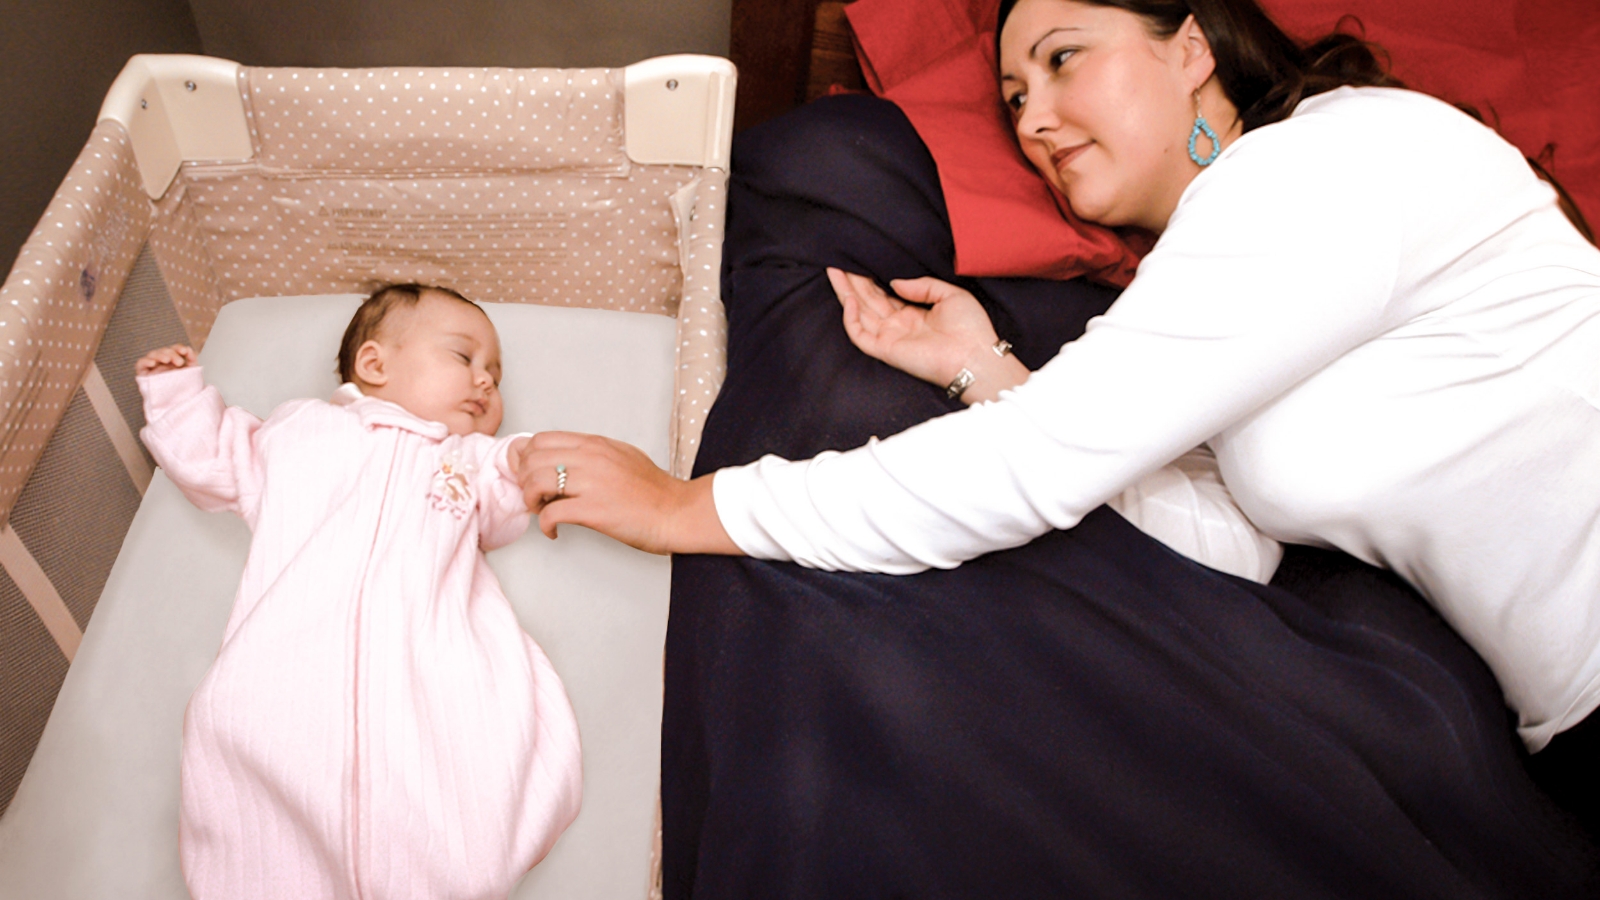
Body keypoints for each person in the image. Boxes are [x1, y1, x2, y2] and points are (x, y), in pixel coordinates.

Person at [521, 0, 1600, 893]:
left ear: (1189, 45)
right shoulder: (1221, 293)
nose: (1034, 117)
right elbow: (1224, 540)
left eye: (1061, 59)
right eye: (1013, 99)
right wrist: (982, 370)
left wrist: (686, 508)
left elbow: (1034, 470)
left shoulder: (1335, 155)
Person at [136, 284, 581, 900]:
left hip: (425, 659)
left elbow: (508, 499)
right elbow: (214, 459)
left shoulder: (468, 458)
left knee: (457, 783)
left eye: (494, 375)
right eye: (464, 358)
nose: (485, 383)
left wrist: (533, 462)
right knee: (252, 758)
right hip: (286, 668)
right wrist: (178, 395)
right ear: (374, 365)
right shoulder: (299, 431)